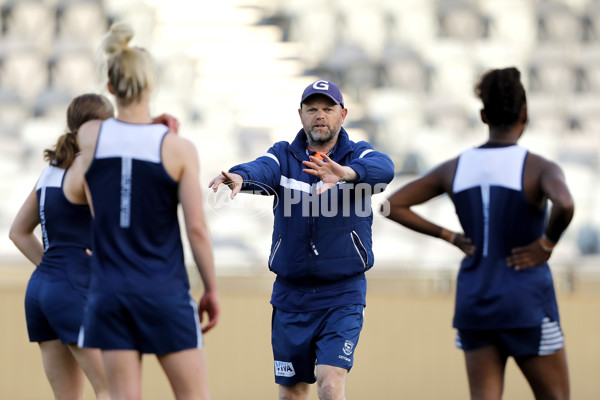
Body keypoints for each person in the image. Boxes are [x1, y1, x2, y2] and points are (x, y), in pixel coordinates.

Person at [383, 67, 573, 400]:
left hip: (476, 302)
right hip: (526, 301)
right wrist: (547, 243)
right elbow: (566, 204)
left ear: (483, 115)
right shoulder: (539, 167)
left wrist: (450, 236)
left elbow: (390, 206)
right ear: (524, 113)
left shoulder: (455, 167)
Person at [209, 79, 395, 400]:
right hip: (291, 296)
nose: (320, 115)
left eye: (327, 108)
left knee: (331, 383)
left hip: (342, 294)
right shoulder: (284, 155)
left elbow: (384, 168)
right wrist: (240, 175)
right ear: (301, 115)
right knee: (292, 393)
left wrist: (346, 173)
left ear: (343, 114)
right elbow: (263, 168)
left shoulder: (357, 155)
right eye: (312, 109)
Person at [76, 22, 219, 400]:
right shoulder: (177, 148)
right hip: (163, 292)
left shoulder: (90, 138)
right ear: (151, 86)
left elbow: (112, 133)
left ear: (110, 88)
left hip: (109, 294)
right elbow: (197, 230)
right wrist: (212, 288)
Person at [9, 93, 115, 400]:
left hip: (41, 290)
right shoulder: (89, 165)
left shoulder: (52, 169)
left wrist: (54, 270)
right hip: (71, 288)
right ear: (98, 127)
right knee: (112, 389)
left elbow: (18, 232)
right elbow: (109, 229)